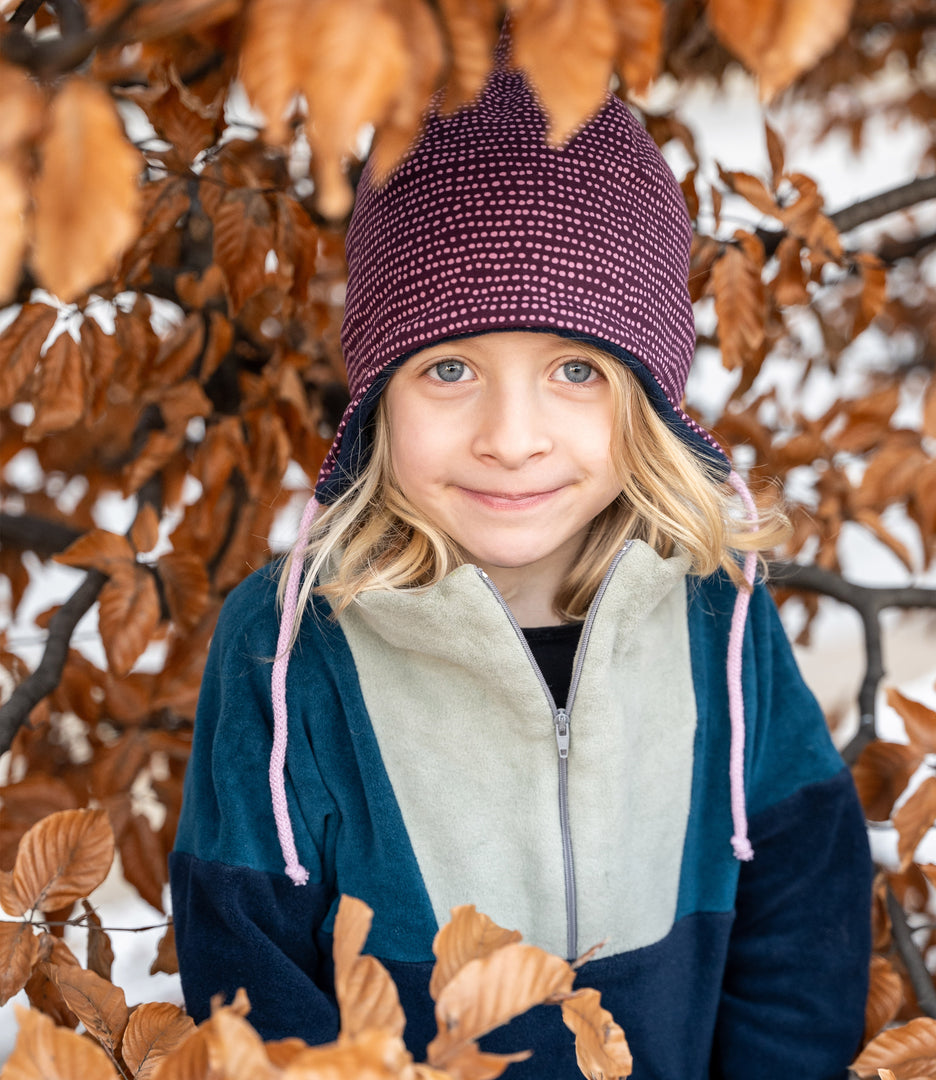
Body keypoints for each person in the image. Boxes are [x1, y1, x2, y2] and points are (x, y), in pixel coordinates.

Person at [169, 36, 872, 1080]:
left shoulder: (714, 617)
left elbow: (802, 912)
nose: (512, 436)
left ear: (649, 403)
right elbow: (250, 981)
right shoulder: (290, 651)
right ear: (376, 403)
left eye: (576, 371)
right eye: (449, 368)